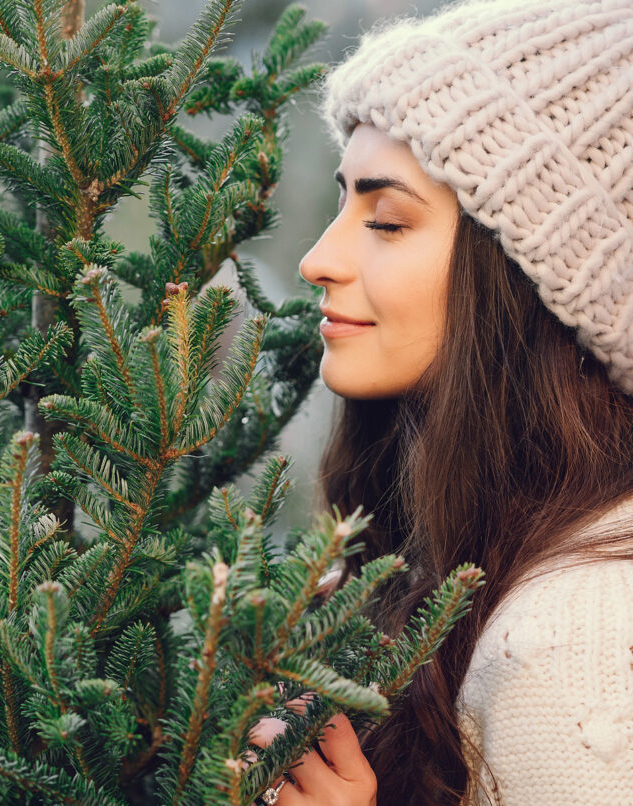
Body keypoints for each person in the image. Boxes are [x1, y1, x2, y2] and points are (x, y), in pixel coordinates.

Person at [247, 0, 633, 803]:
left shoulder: (570, 645)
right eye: (342, 204)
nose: (320, 259)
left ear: (529, 285)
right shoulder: (466, 547)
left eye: (386, 221)